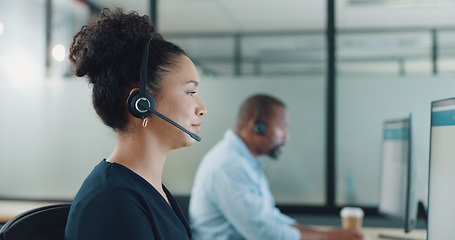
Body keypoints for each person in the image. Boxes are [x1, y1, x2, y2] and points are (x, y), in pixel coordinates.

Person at [65, 8, 207, 240]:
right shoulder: (113, 200)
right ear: (142, 103)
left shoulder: (150, 191)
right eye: (190, 92)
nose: (202, 108)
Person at [189, 94, 363, 240]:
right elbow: (264, 233)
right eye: (281, 127)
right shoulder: (229, 164)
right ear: (256, 127)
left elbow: (271, 219)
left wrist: (325, 234)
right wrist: (326, 238)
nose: (286, 136)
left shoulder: (246, 162)